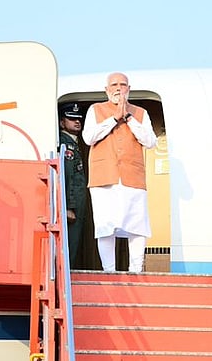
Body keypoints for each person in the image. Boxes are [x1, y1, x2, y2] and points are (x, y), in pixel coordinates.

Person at [82, 72, 157, 273]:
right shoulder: (96, 109)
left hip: (133, 177)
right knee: (105, 227)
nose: (118, 88)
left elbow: (150, 141)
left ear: (128, 89)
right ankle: (109, 271)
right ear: (107, 90)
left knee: (137, 225)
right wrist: (114, 118)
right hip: (104, 177)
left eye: (122, 85)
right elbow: (89, 137)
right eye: (114, 85)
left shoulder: (140, 113)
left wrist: (129, 118)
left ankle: (136, 270)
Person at [59, 102, 88, 268]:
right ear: (62, 122)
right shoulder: (66, 144)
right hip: (72, 206)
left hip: (77, 204)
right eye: (71, 118)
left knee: (74, 243)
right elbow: (68, 175)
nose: (77, 121)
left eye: (78, 119)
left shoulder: (73, 143)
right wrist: (68, 207)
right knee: (70, 243)